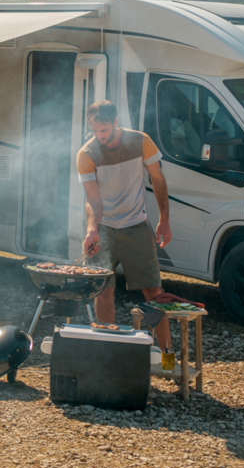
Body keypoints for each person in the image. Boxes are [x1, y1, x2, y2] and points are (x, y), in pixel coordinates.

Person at [75, 100, 177, 353]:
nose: (100, 137)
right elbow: (93, 200)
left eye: (104, 131)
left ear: (115, 123)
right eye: (95, 131)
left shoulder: (141, 141)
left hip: (136, 226)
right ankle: (107, 353)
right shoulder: (86, 154)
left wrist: (164, 220)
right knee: (103, 292)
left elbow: (158, 179)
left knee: (155, 292)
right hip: (105, 230)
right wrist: (92, 230)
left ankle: (167, 357)